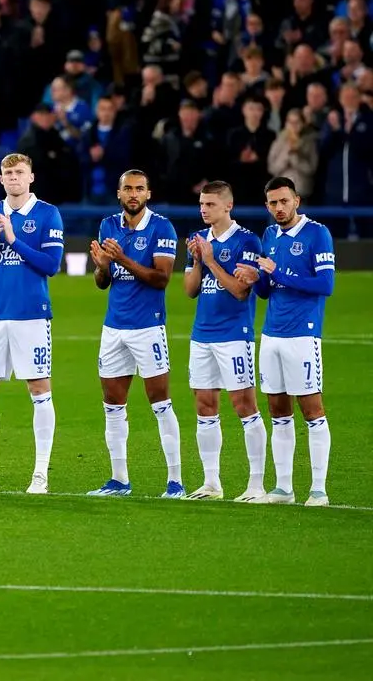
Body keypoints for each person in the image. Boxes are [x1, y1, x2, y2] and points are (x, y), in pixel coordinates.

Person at [0, 153, 65, 495]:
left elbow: (51, 265)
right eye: (8, 173)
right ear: (1, 179)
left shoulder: (48, 214)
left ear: (31, 177)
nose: (14, 177)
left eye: (20, 172)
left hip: (32, 316)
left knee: (39, 391)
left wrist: (14, 239)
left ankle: (40, 476)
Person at [87, 170, 183, 499]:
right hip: (114, 328)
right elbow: (103, 282)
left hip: (148, 327)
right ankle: (119, 479)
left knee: (160, 402)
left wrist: (121, 258)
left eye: (139, 189)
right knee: (113, 404)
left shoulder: (162, 227)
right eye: (127, 188)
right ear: (118, 193)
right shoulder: (108, 226)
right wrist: (101, 266)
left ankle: (175, 482)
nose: (133, 194)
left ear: (148, 193)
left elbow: (161, 278)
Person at [242, 177, 335, 506]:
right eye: (272, 203)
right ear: (267, 206)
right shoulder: (269, 235)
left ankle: (319, 489)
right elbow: (267, 291)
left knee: (312, 410)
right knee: (278, 411)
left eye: (284, 201)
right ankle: (283, 488)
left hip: (303, 334)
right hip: (271, 335)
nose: (279, 208)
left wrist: (277, 272)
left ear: (297, 200)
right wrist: (256, 279)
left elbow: (325, 284)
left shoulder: (317, 234)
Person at [181, 181, 267, 502]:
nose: (204, 210)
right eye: (202, 204)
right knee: (205, 407)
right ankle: (211, 483)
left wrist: (213, 260)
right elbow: (190, 291)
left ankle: (256, 485)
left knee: (244, 406)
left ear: (228, 206)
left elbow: (241, 290)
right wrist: (200, 260)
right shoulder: (199, 240)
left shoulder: (247, 241)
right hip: (201, 335)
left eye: (210, 205)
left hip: (234, 336)